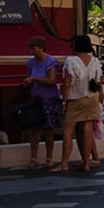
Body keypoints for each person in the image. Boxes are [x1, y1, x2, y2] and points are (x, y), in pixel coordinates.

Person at [60, 33, 104, 173]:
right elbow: (100, 82)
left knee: (67, 130)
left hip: (75, 99)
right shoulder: (95, 61)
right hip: (91, 98)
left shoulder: (71, 61)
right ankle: (86, 163)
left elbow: (67, 84)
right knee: (87, 130)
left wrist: (64, 102)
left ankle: (64, 163)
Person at [22, 36, 65, 170]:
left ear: (41, 48)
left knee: (48, 129)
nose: (32, 52)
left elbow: (52, 80)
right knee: (35, 129)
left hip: (49, 98)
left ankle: (49, 157)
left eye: (34, 49)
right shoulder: (31, 63)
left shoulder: (50, 61)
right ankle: (33, 157)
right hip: (36, 98)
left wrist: (33, 79)